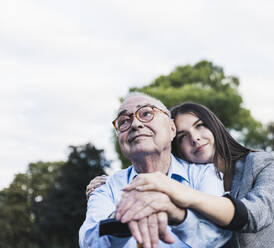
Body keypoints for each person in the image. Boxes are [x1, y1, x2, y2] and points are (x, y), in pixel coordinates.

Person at [79, 93, 231, 248]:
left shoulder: (205, 175)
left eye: (146, 113)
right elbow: (88, 241)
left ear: (172, 129)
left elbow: (219, 235)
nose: (135, 124)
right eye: (124, 121)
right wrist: (123, 218)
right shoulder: (105, 187)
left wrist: (178, 215)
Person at [117, 102, 274, 248]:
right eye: (183, 136)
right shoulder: (190, 179)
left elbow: (255, 214)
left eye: (199, 126)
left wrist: (184, 194)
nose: (195, 138)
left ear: (214, 125)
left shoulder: (262, 162)